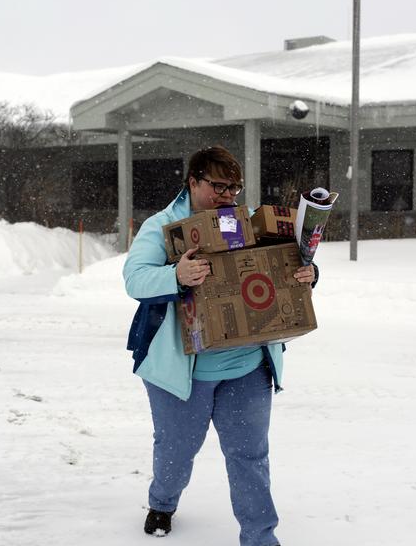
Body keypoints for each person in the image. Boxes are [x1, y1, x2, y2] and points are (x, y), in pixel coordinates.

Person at [123, 146, 318, 546]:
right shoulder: (163, 227)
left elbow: (280, 263)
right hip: (181, 371)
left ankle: (260, 539)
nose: (228, 195)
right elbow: (134, 279)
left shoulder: (243, 224)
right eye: (218, 186)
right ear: (193, 182)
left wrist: (307, 273)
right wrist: (175, 275)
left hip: (246, 366)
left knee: (250, 458)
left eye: (234, 187)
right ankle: (163, 500)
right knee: (177, 453)